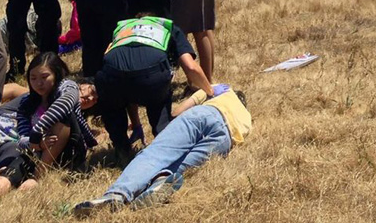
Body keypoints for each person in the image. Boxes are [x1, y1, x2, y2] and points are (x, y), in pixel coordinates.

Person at [72, 85, 251, 217]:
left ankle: (117, 194)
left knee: (156, 154)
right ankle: (159, 183)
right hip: (225, 137)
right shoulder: (248, 120)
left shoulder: (223, 89)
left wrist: (172, 118)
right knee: (180, 166)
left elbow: (190, 103)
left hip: (205, 115)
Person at [0, 52, 97, 216]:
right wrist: (37, 142)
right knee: (12, 171)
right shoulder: (27, 104)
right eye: (33, 78)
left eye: (44, 77)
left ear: (57, 75)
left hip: (67, 151)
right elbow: (22, 139)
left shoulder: (68, 87)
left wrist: (38, 131)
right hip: (39, 148)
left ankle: (38, 174)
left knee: (64, 117)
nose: (39, 83)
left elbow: (65, 104)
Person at [91, 14, 212, 163]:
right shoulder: (168, 26)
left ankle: (122, 149)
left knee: (114, 100)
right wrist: (211, 92)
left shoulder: (122, 28)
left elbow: (125, 71)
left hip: (112, 76)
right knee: (158, 101)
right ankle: (164, 144)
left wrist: (136, 125)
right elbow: (191, 67)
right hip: (151, 78)